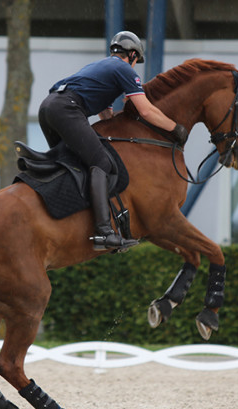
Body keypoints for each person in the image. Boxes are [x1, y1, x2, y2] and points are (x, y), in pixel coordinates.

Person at [38, 31, 188, 251]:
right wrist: (176, 129)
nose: (135, 66)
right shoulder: (124, 69)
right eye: (137, 61)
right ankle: (105, 232)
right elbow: (146, 111)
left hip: (48, 108)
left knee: (74, 166)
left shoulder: (101, 68)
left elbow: (106, 117)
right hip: (67, 109)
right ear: (133, 55)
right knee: (101, 163)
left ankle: (69, 217)